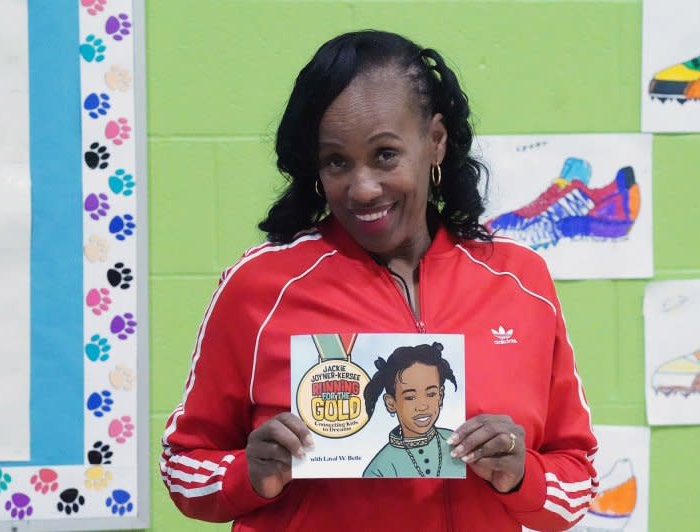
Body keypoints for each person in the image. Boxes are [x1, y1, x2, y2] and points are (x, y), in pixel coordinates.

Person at [160, 30, 598, 531]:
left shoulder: (519, 280)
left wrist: (523, 475)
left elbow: (578, 483)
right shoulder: (260, 285)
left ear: (435, 141)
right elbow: (182, 467)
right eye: (336, 162)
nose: (363, 188)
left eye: (385, 154)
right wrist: (248, 473)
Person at [361, 342, 465, 478]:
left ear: (441, 395)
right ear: (391, 403)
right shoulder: (379, 469)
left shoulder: (458, 442)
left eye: (431, 394)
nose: (422, 406)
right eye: (410, 397)